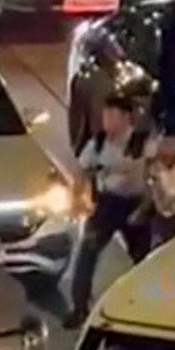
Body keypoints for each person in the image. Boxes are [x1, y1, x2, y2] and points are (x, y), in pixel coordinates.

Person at [64, 95, 153, 329]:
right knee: (87, 251)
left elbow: (153, 174)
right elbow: (81, 171)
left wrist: (146, 206)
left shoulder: (142, 142)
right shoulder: (99, 142)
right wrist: (77, 199)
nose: (107, 122)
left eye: (112, 116)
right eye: (105, 116)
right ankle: (79, 307)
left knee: (143, 259)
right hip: (107, 203)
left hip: (136, 203)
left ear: (126, 118)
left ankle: (144, 307)